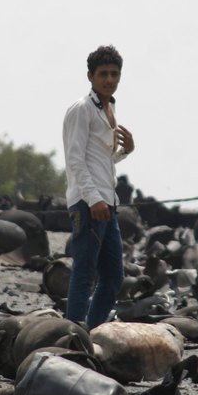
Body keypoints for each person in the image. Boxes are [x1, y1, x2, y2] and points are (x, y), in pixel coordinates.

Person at [61, 45, 136, 328]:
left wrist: (126, 150)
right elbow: (75, 159)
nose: (109, 79)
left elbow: (103, 160)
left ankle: (89, 331)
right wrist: (93, 199)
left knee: (114, 277)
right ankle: (73, 334)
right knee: (84, 272)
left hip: (107, 201)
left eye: (114, 74)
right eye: (103, 74)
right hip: (88, 202)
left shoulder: (109, 108)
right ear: (90, 76)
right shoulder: (82, 109)